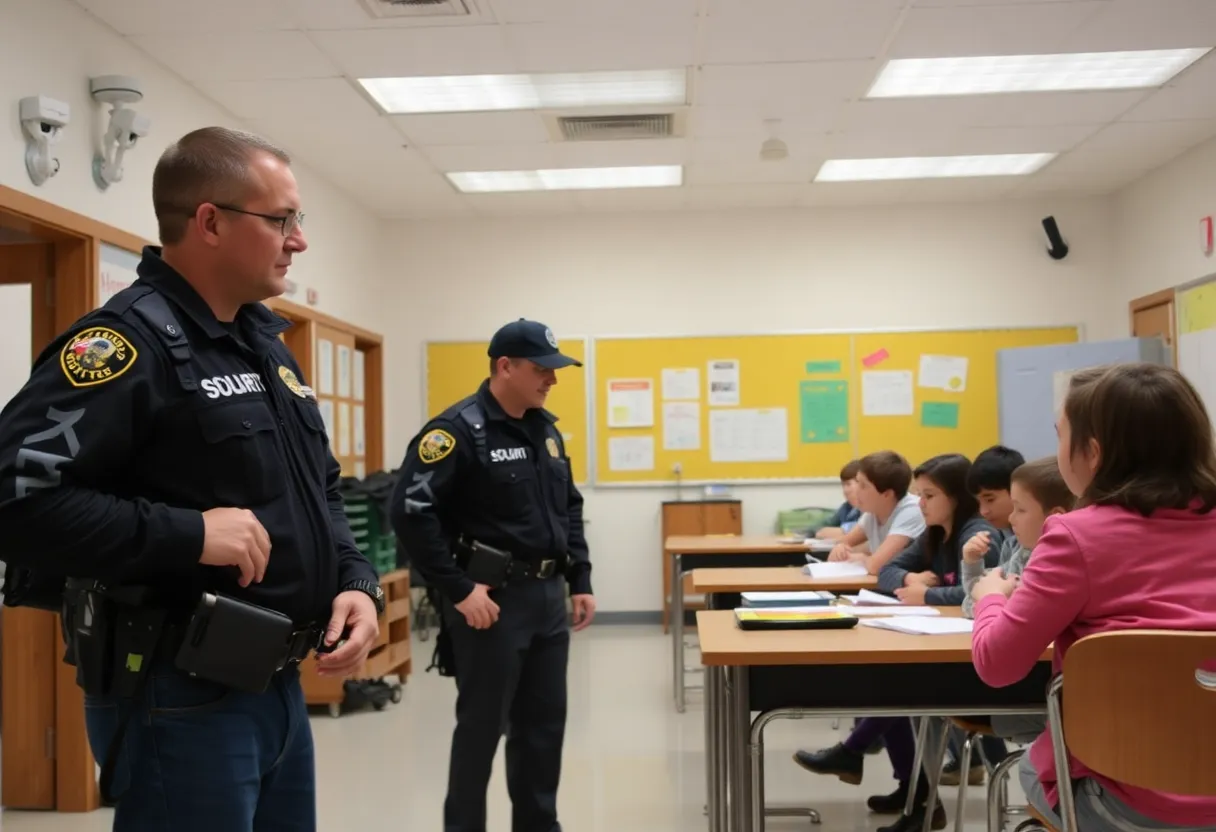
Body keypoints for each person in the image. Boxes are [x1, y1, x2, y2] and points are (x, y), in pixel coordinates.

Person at [0, 127, 383, 831]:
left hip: (276, 684)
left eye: (299, 221)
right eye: (281, 220)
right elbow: (16, 503)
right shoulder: (123, 346)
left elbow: (319, 486)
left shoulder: (264, 343)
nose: (298, 241)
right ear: (209, 221)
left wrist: (354, 580)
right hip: (177, 691)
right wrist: (190, 534)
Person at [971, 363, 1216, 830]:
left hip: (1129, 804)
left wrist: (989, 597)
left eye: (1059, 434)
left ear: (1093, 453)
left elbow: (997, 665)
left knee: (1032, 760)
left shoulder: (1074, 537)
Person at [390, 318, 594, 832]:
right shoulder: (455, 431)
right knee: (481, 733)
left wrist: (581, 578)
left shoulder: (545, 430)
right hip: (491, 605)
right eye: (542, 369)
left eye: (556, 369)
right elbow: (410, 514)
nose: (552, 379)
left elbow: (569, 506)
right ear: (505, 367)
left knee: (543, 732)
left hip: (548, 600)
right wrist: (456, 589)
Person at [798, 454, 1000, 831]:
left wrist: (930, 593)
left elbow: (982, 593)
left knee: (900, 690)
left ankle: (864, 757)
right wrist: (921, 583)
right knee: (895, 686)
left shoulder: (978, 535)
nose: (919, 503)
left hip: (976, 659)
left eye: (928, 496)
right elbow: (886, 572)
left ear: (956, 497)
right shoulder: (934, 531)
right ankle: (911, 790)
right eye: (919, 495)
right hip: (944, 641)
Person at [956, 455, 1074, 741]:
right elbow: (973, 601)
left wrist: (990, 598)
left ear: (1054, 517)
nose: (1010, 518)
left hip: (1048, 686)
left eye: (1019, 509)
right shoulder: (1021, 552)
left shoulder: (1051, 565)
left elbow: (980, 605)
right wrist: (981, 584)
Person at [939, 443, 1025, 784]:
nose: (983, 511)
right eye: (979, 501)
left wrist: (983, 595)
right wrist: (972, 565)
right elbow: (973, 604)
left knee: (933, 693)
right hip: (1005, 668)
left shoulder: (1035, 549)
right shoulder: (1010, 543)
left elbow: (981, 605)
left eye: (991, 499)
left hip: (1021, 679)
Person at [826, 450, 925, 575]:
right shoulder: (872, 512)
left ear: (887, 494)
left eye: (863, 486)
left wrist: (863, 559)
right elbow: (844, 542)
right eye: (857, 482)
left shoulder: (912, 511)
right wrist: (840, 548)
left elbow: (876, 566)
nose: (856, 491)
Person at [813, 459, 862, 539]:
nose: (845, 491)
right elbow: (820, 527)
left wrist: (843, 531)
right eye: (843, 485)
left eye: (848, 484)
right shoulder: (846, 508)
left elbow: (864, 531)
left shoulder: (870, 509)